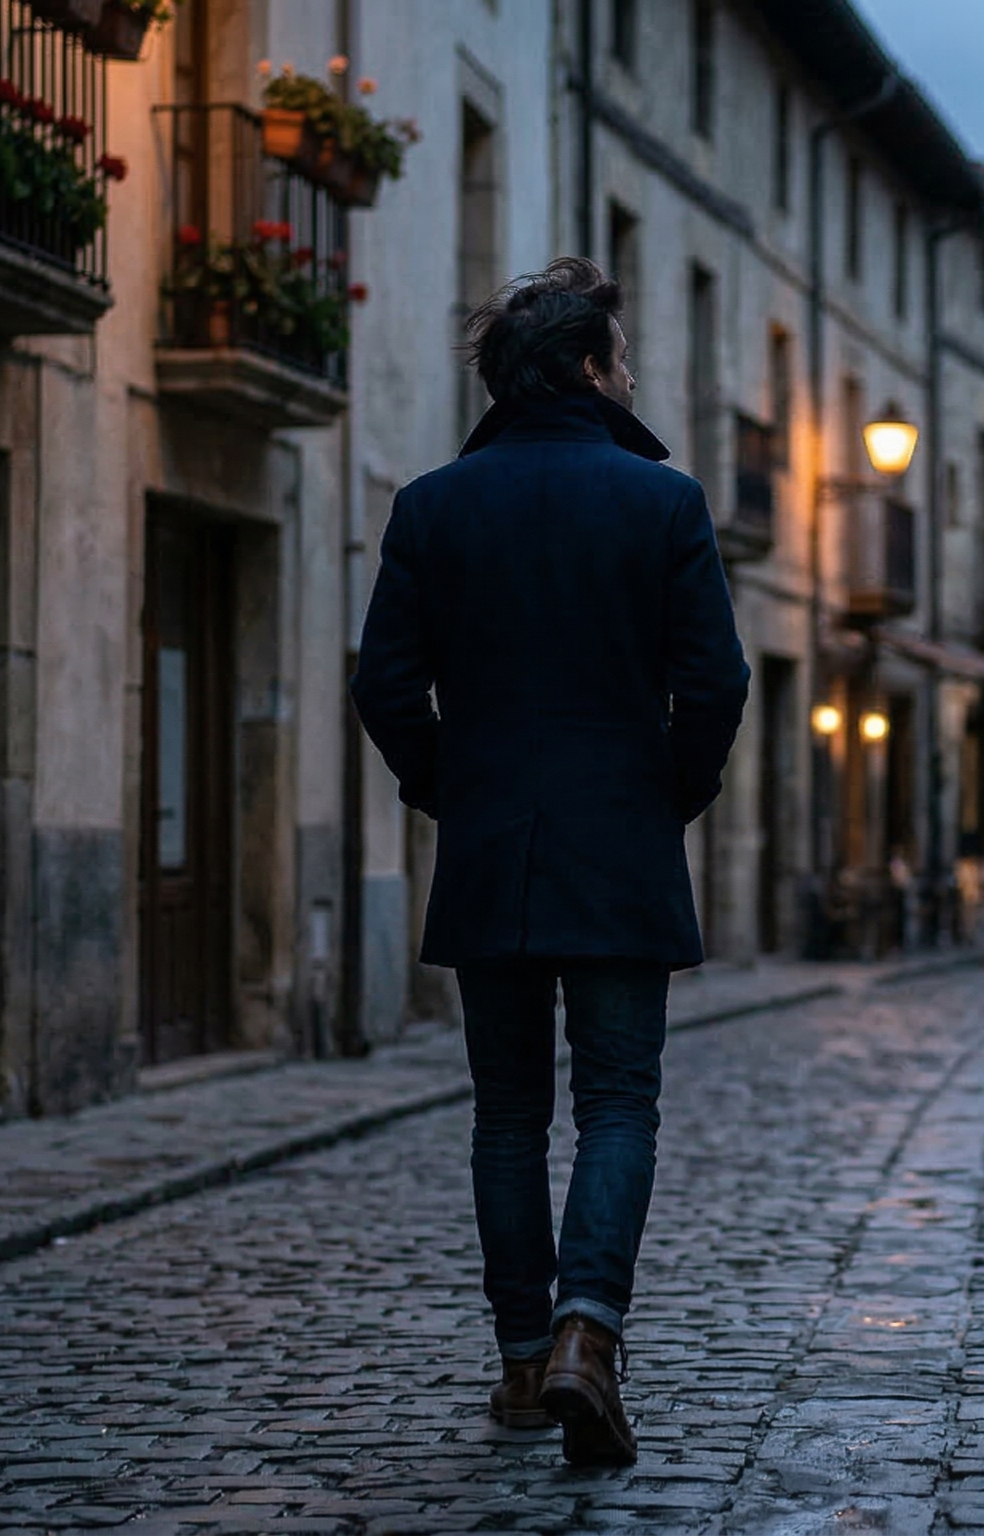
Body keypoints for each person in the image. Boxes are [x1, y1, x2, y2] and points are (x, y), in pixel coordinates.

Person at [349, 257, 749, 1468]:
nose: (625, 376)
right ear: (585, 368)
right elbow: (716, 683)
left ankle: (524, 1363)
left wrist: (446, 788)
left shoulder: (431, 505)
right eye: (616, 357)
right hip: (620, 848)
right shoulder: (661, 502)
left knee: (510, 1114)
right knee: (619, 1101)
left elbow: (383, 687)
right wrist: (662, 798)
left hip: (491, 853)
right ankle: (590, 1332)